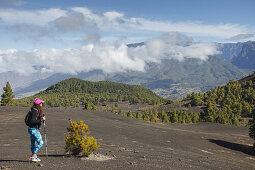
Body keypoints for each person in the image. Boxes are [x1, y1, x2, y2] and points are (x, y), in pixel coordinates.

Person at [28, 98, 46, 162]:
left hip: (31, 129)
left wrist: (38, 125)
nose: (42, 104)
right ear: (38, 104)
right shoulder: (35, 111)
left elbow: (32, 121)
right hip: (34, 129)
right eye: (41, 103)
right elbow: (33, 121)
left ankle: (34, 156)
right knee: (40, 142)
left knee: (33, 143)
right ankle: (33, 156)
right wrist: (41, 119)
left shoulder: (32, 110)